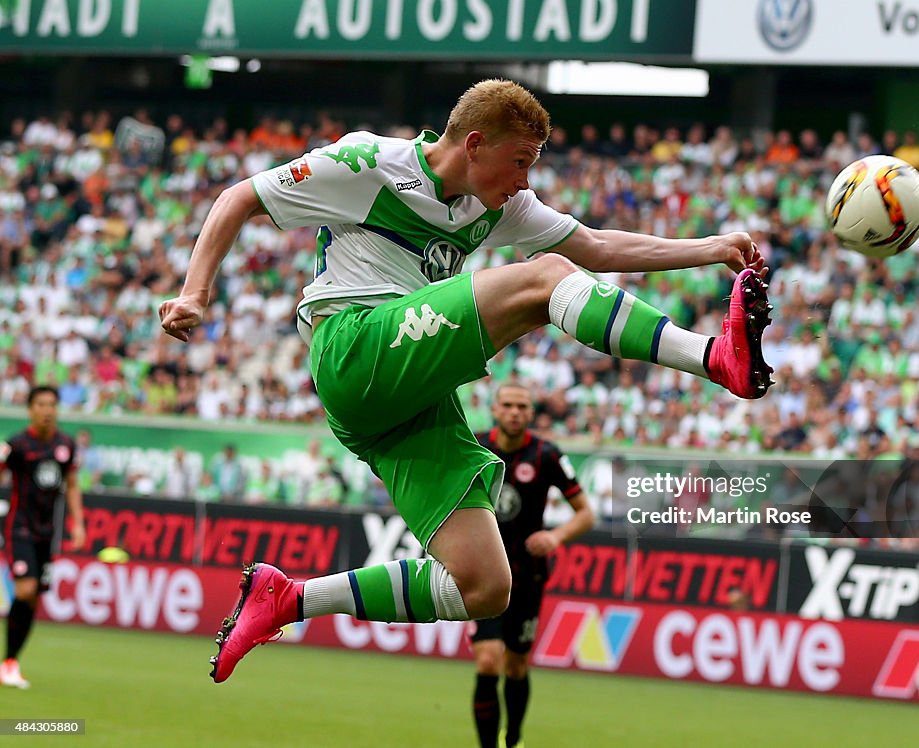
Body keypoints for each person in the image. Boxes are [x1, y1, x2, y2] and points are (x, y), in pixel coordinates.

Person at [157, 79, 773, 684]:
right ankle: (716, 359)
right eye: (520, 161)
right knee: (545, 277)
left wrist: (711, 247)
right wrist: (195, 293)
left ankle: (289, 600)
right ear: (474, 144)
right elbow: (238, 197)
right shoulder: (367, 162)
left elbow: (595, 245)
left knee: (484, 587)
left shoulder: (498, 202)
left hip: (404, 402)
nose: (525, 180)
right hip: (354, 347)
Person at [470, 383, 594, 748]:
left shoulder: (546, 455)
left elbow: (585, 514)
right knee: (488, 661)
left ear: (531, 413)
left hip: (528, 575)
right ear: (495, 409)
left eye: (522, 406)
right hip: (482, 573)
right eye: (508, 405)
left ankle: (514, 739)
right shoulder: (474, 447)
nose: (515, 412)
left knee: (516, 666)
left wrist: (556, 537)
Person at [0, 385, 85, 688]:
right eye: (41, 404)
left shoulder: (66, 445)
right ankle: (9, 663)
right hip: (19, 527)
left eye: (51, 404)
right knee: (25, 590)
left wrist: (78, 523)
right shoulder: (17, 445)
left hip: (46, 533)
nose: (47, 410)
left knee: (33, 598)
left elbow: (72, 484)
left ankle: (10, 662)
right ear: (30, 409)